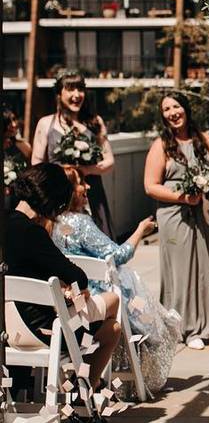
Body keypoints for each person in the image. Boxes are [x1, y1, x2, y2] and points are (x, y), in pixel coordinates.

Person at [53, 166, 180, 393]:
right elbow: (118, 255)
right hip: (91, 296)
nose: (88, 187)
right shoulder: (79, 223)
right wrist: (141, 229)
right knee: (148, 314)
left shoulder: (49, 223)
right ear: (70, 191)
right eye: (82, 183)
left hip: (64, 301)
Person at [4, 163, 121, 391]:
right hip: (45, 332)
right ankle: (85, 387)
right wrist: (72, 289)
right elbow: (78, 277)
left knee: (102, 325)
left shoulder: (6, 222)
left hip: (7, 330)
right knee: (112, 324)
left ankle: (82, 377)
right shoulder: (31, 232)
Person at [144, 93, 209, 350]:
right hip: (173, 215)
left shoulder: (204, 139)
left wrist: (208, 185)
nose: (172, 112)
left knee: (201, 268)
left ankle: (202, 326)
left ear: (186, 108)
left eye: (176, 106)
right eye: (166, 108)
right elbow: (150, 186)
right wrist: (182, 196)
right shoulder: (161, 145)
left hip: (201, 212)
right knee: (179, 273)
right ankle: (180, 328)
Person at [31, 70, 115, 239]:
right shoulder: (46, 123)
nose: (77, 95)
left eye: (80, 89)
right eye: (70, 89)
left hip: (91, 193)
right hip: (58, 195)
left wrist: (84, 170)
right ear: (59, 93)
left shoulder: (95, 122)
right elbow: (36, 163)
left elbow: (109, 161)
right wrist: (63, 172)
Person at [3, 106, 31, 207]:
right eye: (8, 121)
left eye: (14, 119)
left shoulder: (24, 147)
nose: (14, 125)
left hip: (19, 198)